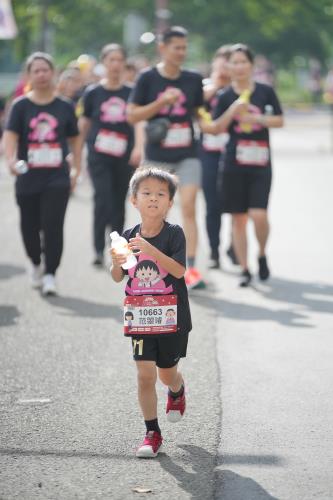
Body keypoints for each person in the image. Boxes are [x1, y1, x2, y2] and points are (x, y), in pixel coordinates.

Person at [110, 167, 191, 458]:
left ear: (170, 203)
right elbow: (119, 277)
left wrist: (148, 250)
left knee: (165, 374)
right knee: (145, 375)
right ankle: (152, 432)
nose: (153, 199)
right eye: (146, 193)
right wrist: (117, 261)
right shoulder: (127, 236)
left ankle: (177, 388)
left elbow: (180, 271)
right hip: (140, 317)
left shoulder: (174, 233)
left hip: (171, 318)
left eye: (161, 194)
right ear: (134, 200)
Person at [127, 26, 205, 289]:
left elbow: (199, 114)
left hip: (188, 153)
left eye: (185, 48)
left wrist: (216, 123)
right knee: (154, 212)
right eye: (177, 47)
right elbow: (133, 115)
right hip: (157, 157)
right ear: (163, 48)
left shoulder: (193, 79)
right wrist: (161, 103)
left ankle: (191, 268)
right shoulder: (147, 78)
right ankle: (157, 263)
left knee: (190, 207)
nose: (182, 52)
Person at [200, 43, 283, 286]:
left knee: (258, 214)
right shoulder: (225, 96)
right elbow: (216, 127)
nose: (238, 67)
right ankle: (245, 269)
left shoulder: (265, 91)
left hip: (260, 162)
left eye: (243, 62)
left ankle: (262, 254)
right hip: (233, 163)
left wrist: (256, 117)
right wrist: (234, 110)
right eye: (234, 62)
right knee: (238, 218)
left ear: (251, 65)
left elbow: (279, 120)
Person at [3, 52, 81, 295]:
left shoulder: (65, 106)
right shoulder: (21, 106)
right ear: (29, 75)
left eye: (45, 69)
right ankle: (36, 262)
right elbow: (11, 136)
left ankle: (50, 273)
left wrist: (76, 168)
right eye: (36, 70)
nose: (41, 74)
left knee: (53, 225)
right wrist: (11, 160)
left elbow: (75, 139)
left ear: (53, 73)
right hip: (28, 175)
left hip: (57, 176)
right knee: (29, 226)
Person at [79, 43, 138, 267]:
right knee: (102, 198)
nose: (115, 64)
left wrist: (138, 148)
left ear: (124, 63)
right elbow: (84, 124)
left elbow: (139, 123)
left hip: (124, 156)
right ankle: (97, 248)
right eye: (111, 60)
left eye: (119, 60)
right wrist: (78, 154)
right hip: (99, 155)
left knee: (118, 202)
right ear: (104, 63)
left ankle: (118, 248)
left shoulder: (131, 92)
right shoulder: (93, 92)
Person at [199, 45, 232, 269]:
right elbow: (192, 107)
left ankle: (234, 246)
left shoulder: (238, 92)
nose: (223, 71)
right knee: (213, 205)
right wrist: (213, 88)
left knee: (238, 206)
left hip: (233, 154)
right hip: (209, 154)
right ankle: (214, 251)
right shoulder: (203, 90)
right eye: (220, 66)